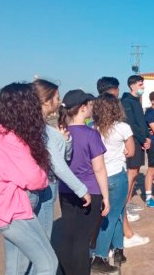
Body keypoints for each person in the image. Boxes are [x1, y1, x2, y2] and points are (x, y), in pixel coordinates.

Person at [12, 80, 92, 274]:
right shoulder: (43, 129)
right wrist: (81, 189)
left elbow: (60, 156)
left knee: (25, 249)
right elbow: (59, 164)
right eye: (56, 97)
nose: (59, 101)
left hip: (22, 190)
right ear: (46, 101)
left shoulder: (23, 125)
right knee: (41, 247)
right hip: (44, 188)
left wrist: (65, 141)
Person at [0, 82, 58, 275]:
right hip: (15, 211)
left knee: (17, 267)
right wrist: (44, 174)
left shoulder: (4, 134)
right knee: (47, 263)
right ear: (23, 106)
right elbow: (34, 177)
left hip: (11, 211)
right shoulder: (11, 139)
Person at [57, 89, 110, 275]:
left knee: (68, 236)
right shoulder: (90, 135)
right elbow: (99, 168)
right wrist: (106, 196)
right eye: (89, 104)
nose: (91, 107)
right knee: (82, 239)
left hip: (65, 190)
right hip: (91, 190)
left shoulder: (59, 133)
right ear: (82, 108)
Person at [91, 93, 139, 273]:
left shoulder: (92, 127)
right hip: (117, 175)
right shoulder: (122, 128)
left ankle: (118, 249)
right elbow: (132, 151)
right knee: (111, 217)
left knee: (118, 212)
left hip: (99, 177)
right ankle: (100, 256)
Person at [121, 75, 151, 246]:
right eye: (140, 84)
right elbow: (131, 124)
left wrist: (146, 137)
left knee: (135, 173)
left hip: (140, 141)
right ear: (132, 85)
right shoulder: (127, 102)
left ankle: (128, 202)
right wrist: (143, 138)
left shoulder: (137, 100)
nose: (142, 86)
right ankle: (123, 206)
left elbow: (142, 123)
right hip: (134, 141)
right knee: (130, 174)